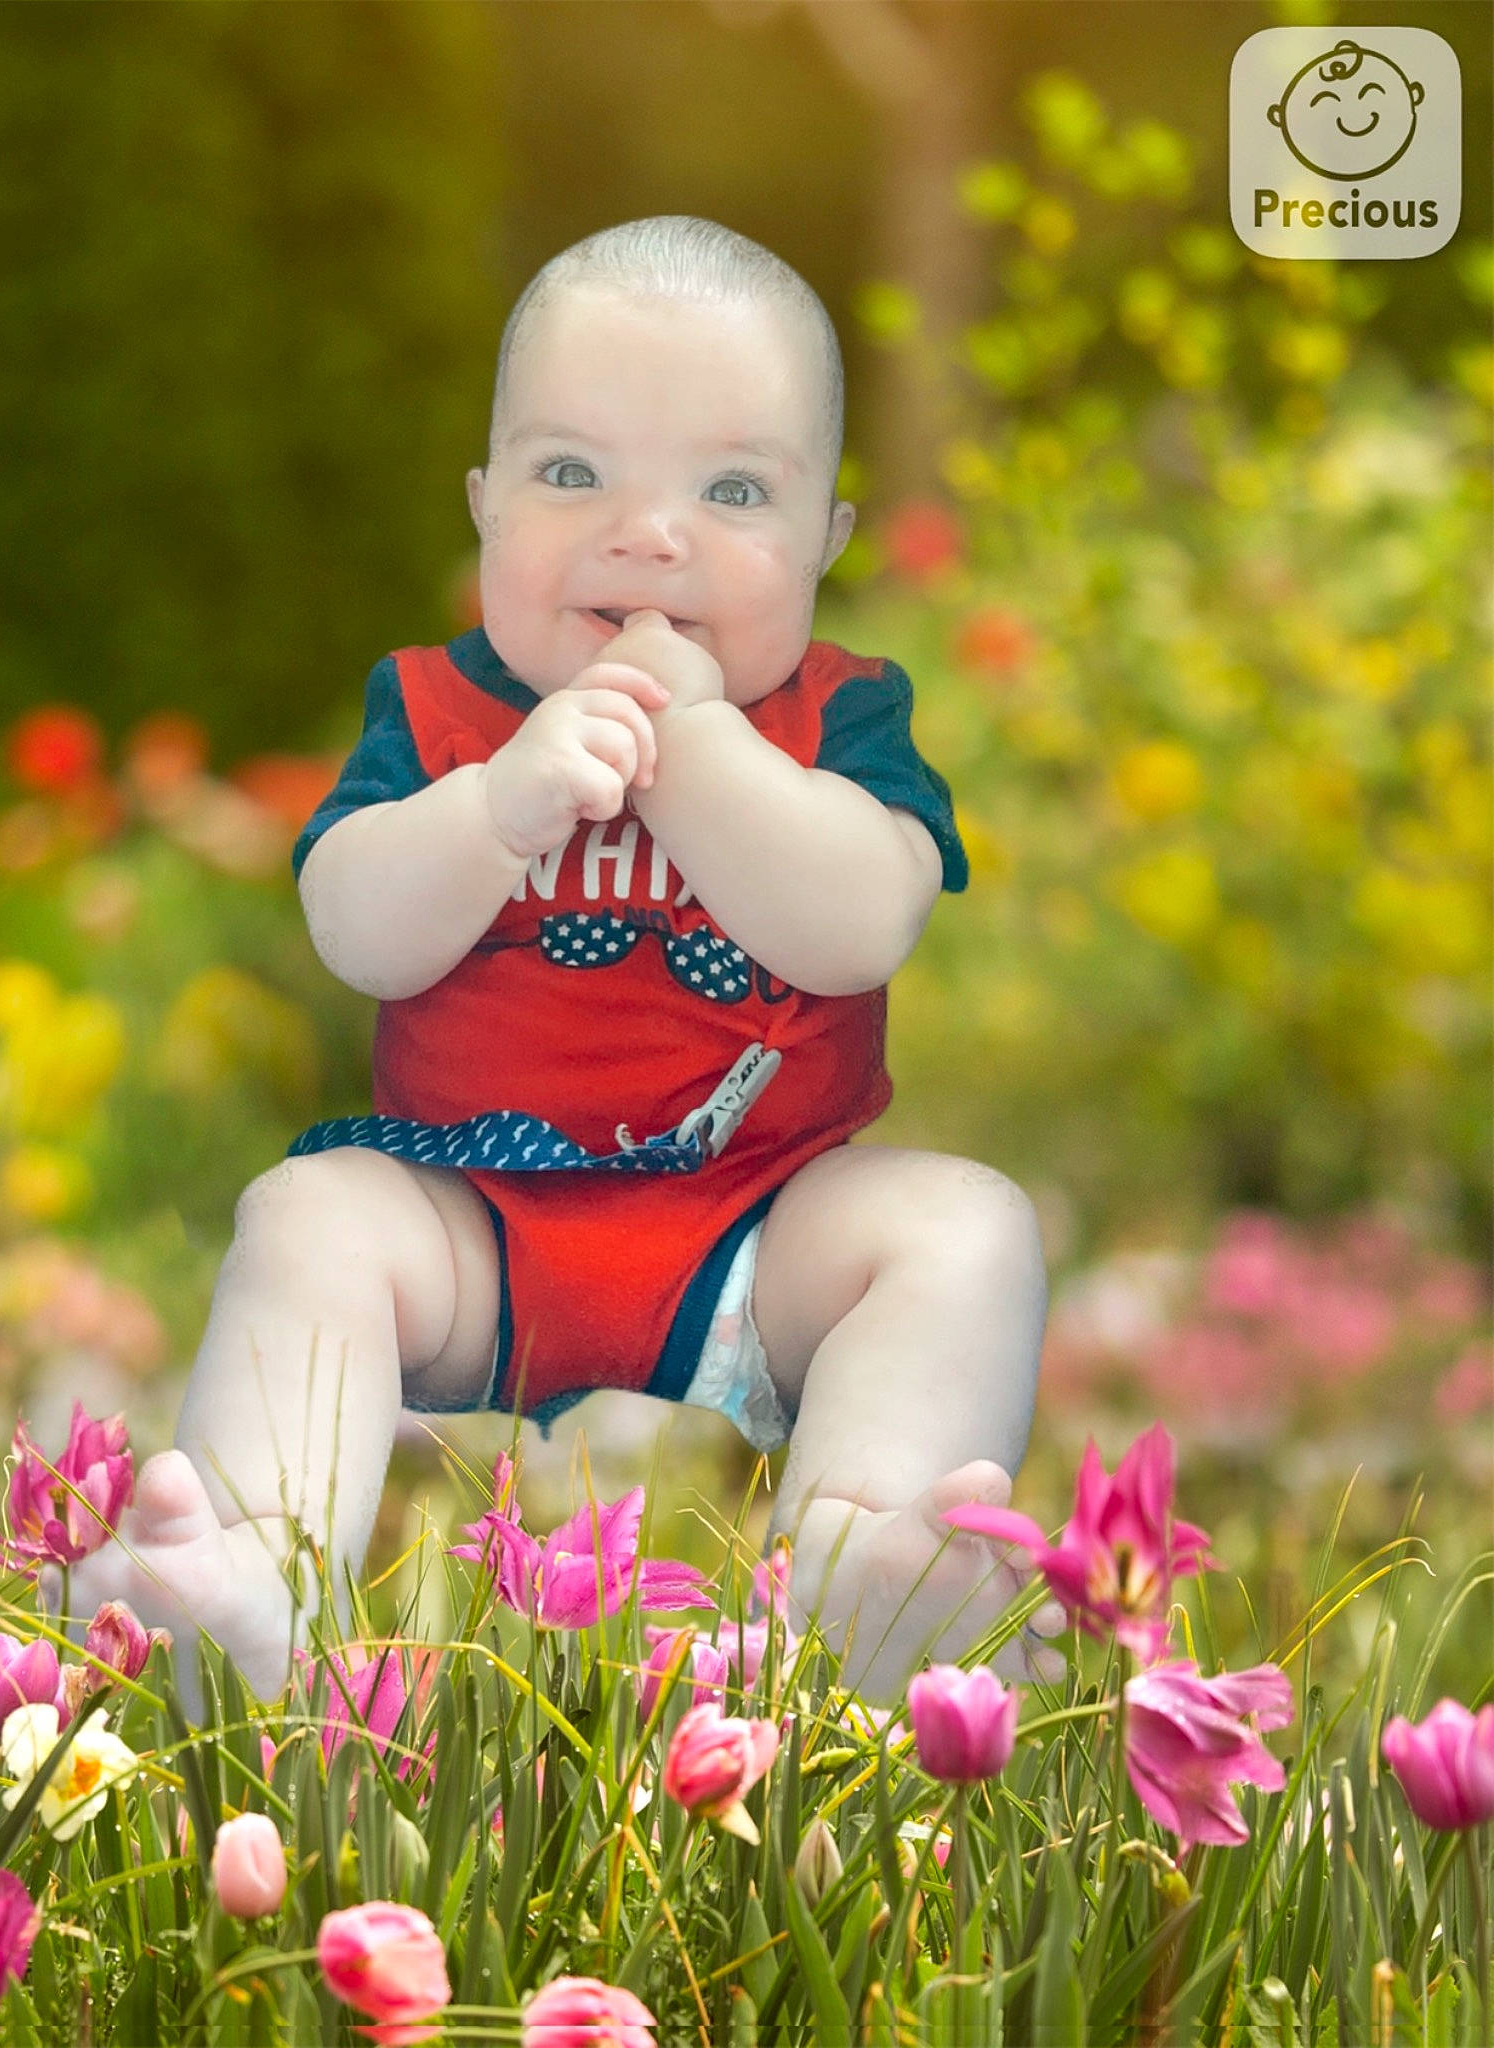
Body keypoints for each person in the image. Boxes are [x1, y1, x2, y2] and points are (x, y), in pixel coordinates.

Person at [84, 216, 1060, 1702]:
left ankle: (861, 1568)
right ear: (483, 510)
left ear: (825, 541)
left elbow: (865, 920)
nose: (645, 534)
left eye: (733, 489)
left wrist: (701, 756)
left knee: (965, 1226)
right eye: (570, 473)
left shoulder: (840, 718)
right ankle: (255, 1573)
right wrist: (495, 807)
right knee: (310, 1217)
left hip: (758, 1229)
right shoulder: (435, 715)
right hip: (475, 1228)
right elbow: (356, 926)